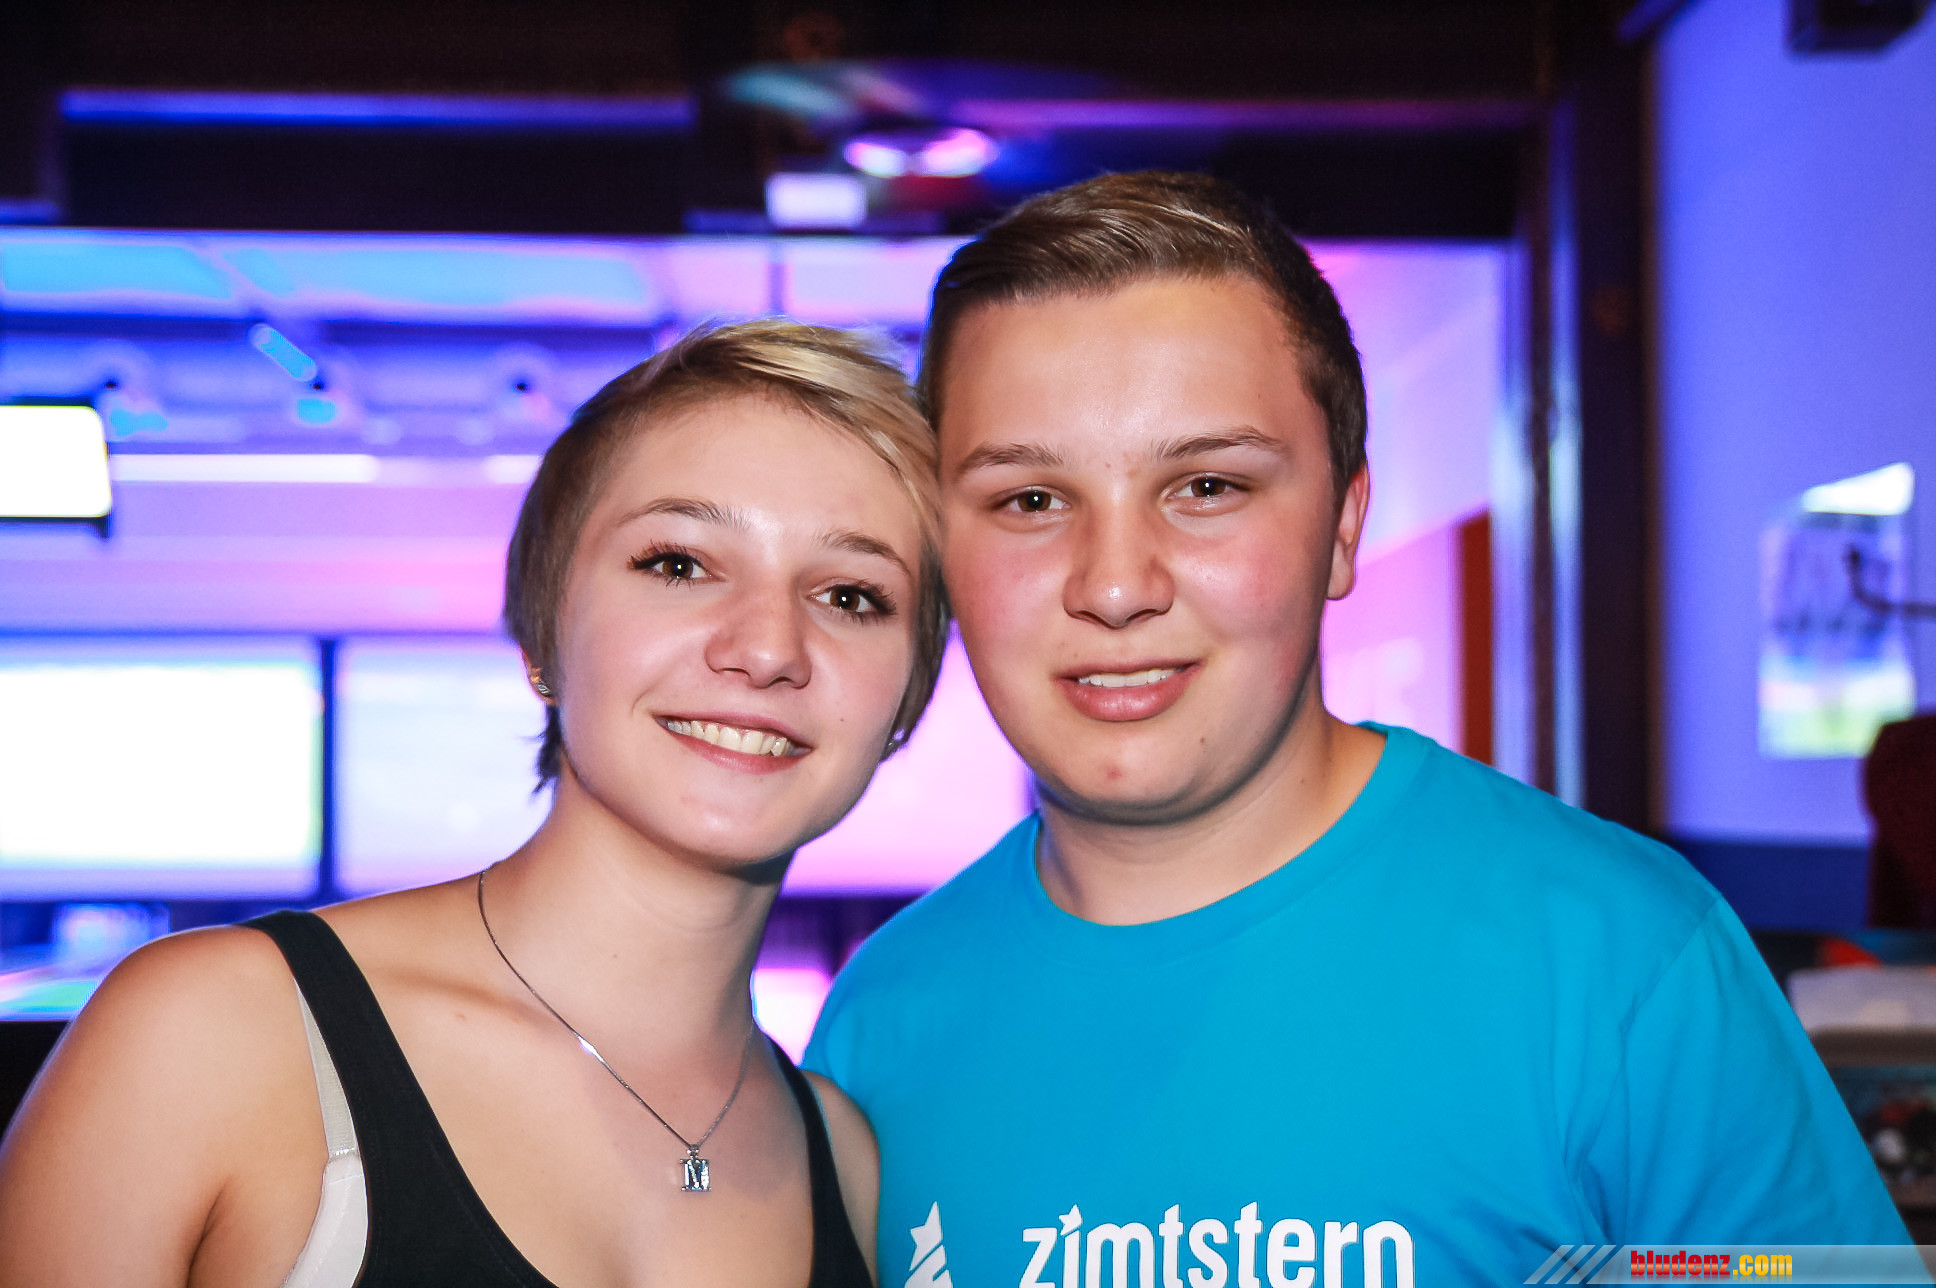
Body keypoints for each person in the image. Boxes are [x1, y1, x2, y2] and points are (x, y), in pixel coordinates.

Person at [805, 172, 1909, 1287]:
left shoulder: (1621, 963)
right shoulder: (883, 1026)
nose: (1117, 584)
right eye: (1030, 500)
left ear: (1340, 524)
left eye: (1206, 486)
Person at [0, 319, 950, 1288]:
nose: (767, 647)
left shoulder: (849, 1165)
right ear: (542, 628)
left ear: (908, 699)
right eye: (678, 563)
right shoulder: (214, 1033)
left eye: (851, 595)